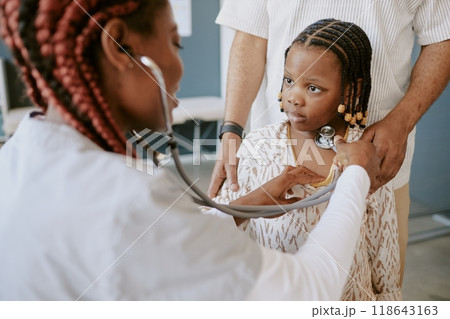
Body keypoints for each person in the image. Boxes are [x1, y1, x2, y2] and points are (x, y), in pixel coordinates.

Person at [0, 0, 381, 300]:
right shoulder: (128, 200)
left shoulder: (16, 158)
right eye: (173, 42)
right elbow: (309, 294)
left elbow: (173, 236)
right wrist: (357, 174)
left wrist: (255, 200)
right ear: (119, 48)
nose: (178, 66)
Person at [210, 0, 450, 284]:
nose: (294, 97)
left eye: (312, 88)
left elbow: (442, 36)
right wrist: (232, 130)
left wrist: (401, 123)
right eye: (288, 81)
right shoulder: (258, 149)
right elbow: (250, 35)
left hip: (380, 160)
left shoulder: (370, 170)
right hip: (268, 167)